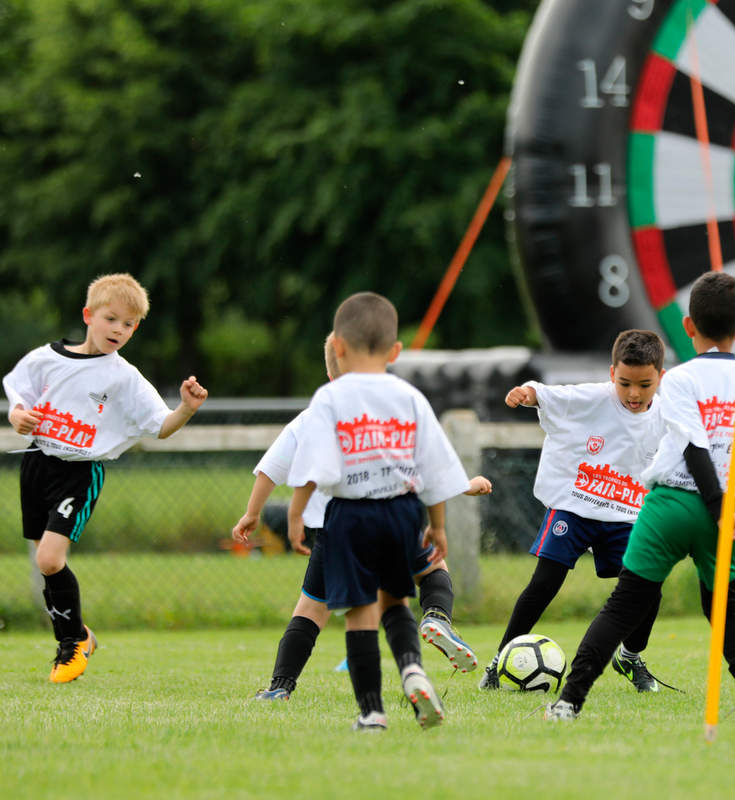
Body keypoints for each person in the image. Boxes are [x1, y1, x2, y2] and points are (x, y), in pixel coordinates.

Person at [545, 271, 735, 723]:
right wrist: (733, 502)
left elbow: (693, 445)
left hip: (674, 503)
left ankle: (568, 703)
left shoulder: (679, 379)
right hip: (730, 513)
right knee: (724, 606)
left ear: (687, 326)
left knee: (625, 603)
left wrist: (718, 505)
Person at [232, 334, 491, 701]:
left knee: (312, 609)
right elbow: (424, 466)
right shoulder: (395, 410)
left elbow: (271, 470)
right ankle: (434, 618)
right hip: (396, 518)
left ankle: (281, 686)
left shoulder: (314, 415)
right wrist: (464, 485)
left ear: (331, 368)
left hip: (335, 528)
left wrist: (252, 514)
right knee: (430, 573)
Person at [3, 273, 208, 683]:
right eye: (111, 319)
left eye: (129, 324)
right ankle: (80, 635)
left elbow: (161, 425)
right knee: (46, 563)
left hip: (78, 474)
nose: (118, 329)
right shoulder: (46, 359)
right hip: (38, 465)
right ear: (88, 315)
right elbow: (18, 396)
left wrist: (185, 408)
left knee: (48, 558)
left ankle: (71, 648)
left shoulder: (123, 377)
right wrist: (18, 416)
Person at [286, 291, 471, 731]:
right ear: (395, 351)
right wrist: (438, 527)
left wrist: (295, 516)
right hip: (403, 513)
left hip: (351, 515)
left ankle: (371, 712)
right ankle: (411, 668)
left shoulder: (330, 399)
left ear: (339, 347)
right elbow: (435, 466)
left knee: (360, 614)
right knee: (397, 601)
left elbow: (314, 467)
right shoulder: (409, 397)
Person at [478, 330, 667, 693]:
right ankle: (500, 660)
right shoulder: (594, 397)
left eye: (644, 385)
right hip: (575, 505)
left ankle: (629, 656)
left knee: (649, 585)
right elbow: (552, 396)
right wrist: (528, 394)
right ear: (612, 373)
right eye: (624, 382)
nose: (633, 393)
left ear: (660, 377)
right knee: (544, 582)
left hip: (627, 515)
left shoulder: (667, 416)